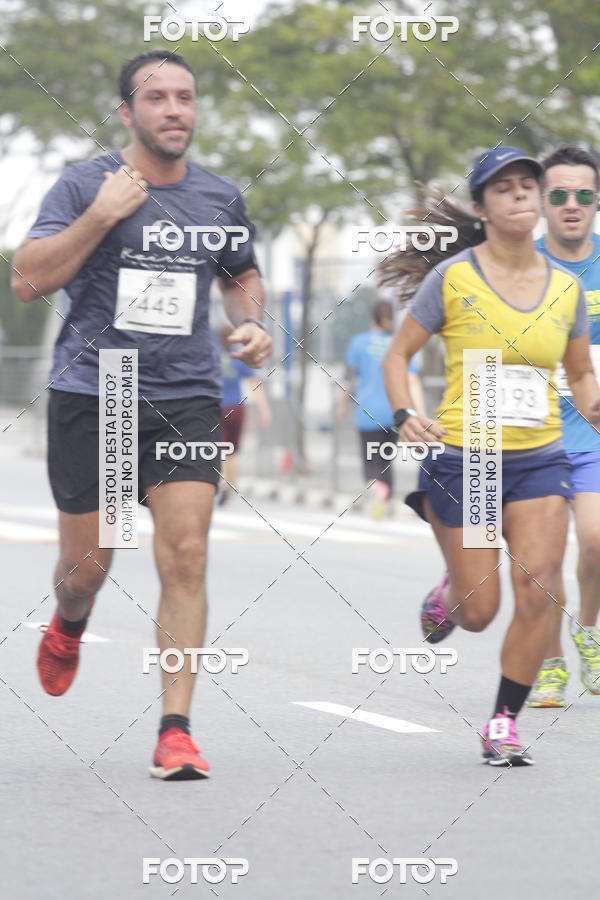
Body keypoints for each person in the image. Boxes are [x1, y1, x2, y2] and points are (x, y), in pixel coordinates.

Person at [11, 51, 272, 780]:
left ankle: (176, 729)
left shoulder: (219, 198)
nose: (174, 109)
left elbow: (240, 272)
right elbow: (28, 279)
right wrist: (100, 216)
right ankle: (69, 620)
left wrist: (249, 322)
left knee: (187, 553)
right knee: (87, 569)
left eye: (184, 97)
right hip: (100, 391)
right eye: (156, 98)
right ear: (128, 113)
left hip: (187, 393)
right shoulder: (83, 184)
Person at [379, 146, 600, 765]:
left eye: (528, 185)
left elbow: (579, 375)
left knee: (540, 591)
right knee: (481, 611)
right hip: (469, 459)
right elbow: (397, 356)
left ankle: (503, 720)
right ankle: (452, 592)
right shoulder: (453, 279)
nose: (521, 195)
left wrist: (594, 405)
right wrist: (404, 413)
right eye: (503, 189)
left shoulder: (564, 289)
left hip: (539, 458)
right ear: (482, 207)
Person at [526, 146, 600, 707]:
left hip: (593, 434)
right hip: (533, 439)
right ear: (543, 203)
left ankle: (588, 633)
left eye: (583, 195)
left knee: (596, 542)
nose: (571, 205)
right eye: (558, 195)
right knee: (542, 560)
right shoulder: (517, 266)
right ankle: (550, 662)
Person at [337, 299, 425, 519]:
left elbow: (348, 379)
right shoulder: (399, 343)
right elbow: (413, 381)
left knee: (370, 462)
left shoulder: (358, 343)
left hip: (367, 413)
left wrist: (341, 405)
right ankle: (384, 506)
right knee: (386, 460)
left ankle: (379, 493)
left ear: (371, 318)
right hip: (395, 412)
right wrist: (420, 413)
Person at [217, 323, 272, 505]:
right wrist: (264, 409)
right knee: (233, 450)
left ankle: (222, 482)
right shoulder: (238, 356)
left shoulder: (212, 356)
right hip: (237, 408)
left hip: (217, 408)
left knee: (220, 449)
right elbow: (253, 383)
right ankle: (230, 485)